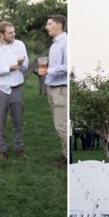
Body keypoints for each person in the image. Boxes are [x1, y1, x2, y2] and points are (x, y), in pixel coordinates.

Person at [0, 21, 29, 160]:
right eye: (10, 33)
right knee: (0, 123)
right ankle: (2, 151)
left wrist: (21, 64)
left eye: (14, 31)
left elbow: (25, 67)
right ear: (2, 34)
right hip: (1, 90)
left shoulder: (20, 45)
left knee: (18, 122)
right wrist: (7, 69)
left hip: (17, 89)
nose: (13, 34)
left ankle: (19, 148)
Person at [44, 15, 68, 165]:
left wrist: (49, 70)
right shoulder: (54, 45)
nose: (47, 27)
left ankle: (68, 159)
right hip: (51, 88)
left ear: (59, 24)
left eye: (49, 24)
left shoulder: (66, 42)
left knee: (61, 126)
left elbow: (67, 66)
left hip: (61, 89)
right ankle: (65, 155)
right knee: (58, 125)